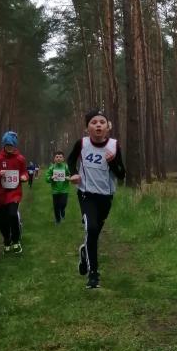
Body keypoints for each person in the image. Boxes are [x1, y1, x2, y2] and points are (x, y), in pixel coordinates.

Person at [66, 109, 126, 289]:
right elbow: (70, 160)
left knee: (94, 234)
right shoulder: (82, 144)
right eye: (94, 122)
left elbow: (121, 174)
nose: (98, 125)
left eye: (102, 122)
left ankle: (85, 251)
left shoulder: (114, 146)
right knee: (91, 228)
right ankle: (93, 275)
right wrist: (74, 173)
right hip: (86, 194)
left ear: (108, 127)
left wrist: (112, 162)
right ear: (87, 128)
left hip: (106, 197)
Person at [0, 131, 29, 254]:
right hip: (0, 193)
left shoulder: (20, 159)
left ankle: (16, 241)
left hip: (14, 192)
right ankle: (7, 240)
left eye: (12, 146)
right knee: (3, 219)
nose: (10, 148)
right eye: (7, 145)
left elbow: (24, 172)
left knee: (13, 214)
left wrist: (24, 177)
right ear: (4, 145)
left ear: (15, 146)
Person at [45, 150, 71, 224]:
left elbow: (70, 174)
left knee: (63, 204)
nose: (58, 158)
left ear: (63, 159)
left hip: (64, 190)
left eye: (60, 157)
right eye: (57, 157)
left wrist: (68, 177)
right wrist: (51, 178)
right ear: (54, 159)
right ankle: (58, 220)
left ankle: (62, 210)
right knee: (56, 206)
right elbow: (47, 178)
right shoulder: (52, 167)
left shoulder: (66, 167)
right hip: (55, 190)